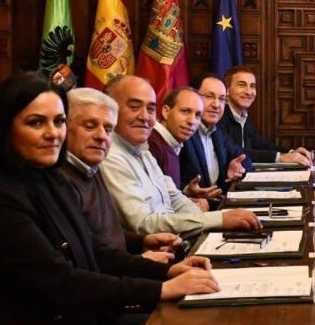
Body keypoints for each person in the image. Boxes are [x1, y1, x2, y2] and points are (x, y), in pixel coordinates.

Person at [0, 73, 220, 325]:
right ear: (4, 128)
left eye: (59, 121)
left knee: (203, 324)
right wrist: (161, 289)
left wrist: (167, 272)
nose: (53, 133)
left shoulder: (46, 177)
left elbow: (92, 249)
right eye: (36, 122)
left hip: (76, 322)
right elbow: (61, 282)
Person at [101, 75, 261, 237]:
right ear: (109, 111)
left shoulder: (141, 149)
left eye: (150, 109)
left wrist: (205, 221)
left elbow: (175, 197)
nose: (145, 117)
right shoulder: (110, 156)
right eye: (134, 107)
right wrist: (217, 219)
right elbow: (143, 224)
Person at [58, 87, 180, 264]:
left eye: (108, 129)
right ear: (64, 128)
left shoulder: (91, 167)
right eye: (90, 126)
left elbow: (102, 237)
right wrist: (139, 262)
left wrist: (141, 242)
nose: (101, 136)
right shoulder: (59, 180)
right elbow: (82, 263)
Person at [220, 65, 311, 166]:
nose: (249, 92)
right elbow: (235, 151)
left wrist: (291, 152)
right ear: (227, 90)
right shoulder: (220, 117)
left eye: (252, 86)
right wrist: (280, 157)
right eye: (242, 85)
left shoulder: (243, 117)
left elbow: (261, 145)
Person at [149, 86, 222, 208]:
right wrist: (190, 207)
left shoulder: (172, 144)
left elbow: (165, 195)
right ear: (166, 112)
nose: (192, 121)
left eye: (198, 115)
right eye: (185, 111)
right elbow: (154, 209)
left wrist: (186, 192)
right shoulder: (151, 144)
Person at [180, 74, 253, 193]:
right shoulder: (184, 131)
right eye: (209, 96)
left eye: (222, 99)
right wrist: (187, 192)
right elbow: (168, 181)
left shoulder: (217, 132)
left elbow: (244, 158)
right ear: (193, 97)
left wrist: (236, 166)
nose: (216, 105)